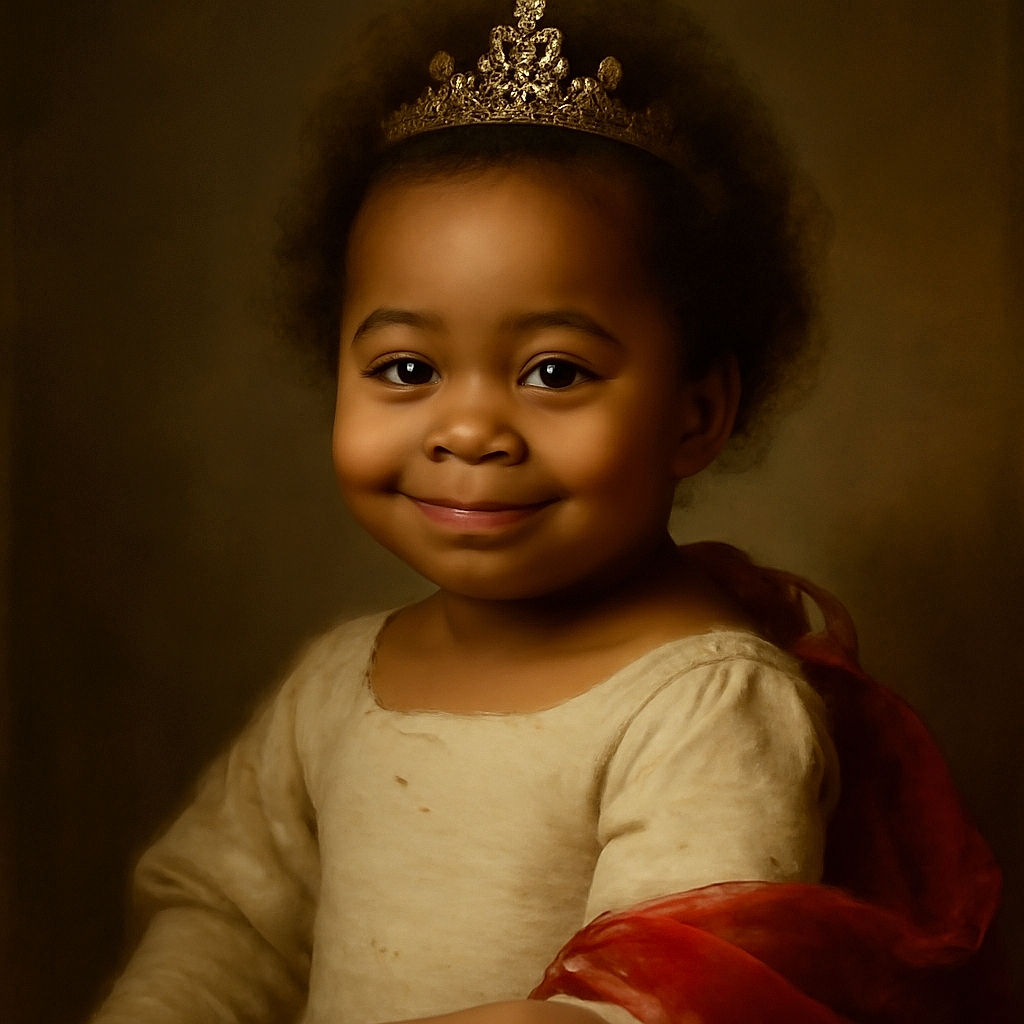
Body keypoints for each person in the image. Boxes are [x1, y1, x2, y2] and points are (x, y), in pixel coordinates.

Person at [90, 1, 1002, 1021]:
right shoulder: (334, 684)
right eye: (406, 368)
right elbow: (227, 922)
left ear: (695, 413)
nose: (470, 428)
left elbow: (648, 1010)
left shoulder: (707, 706)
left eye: (554, 371)